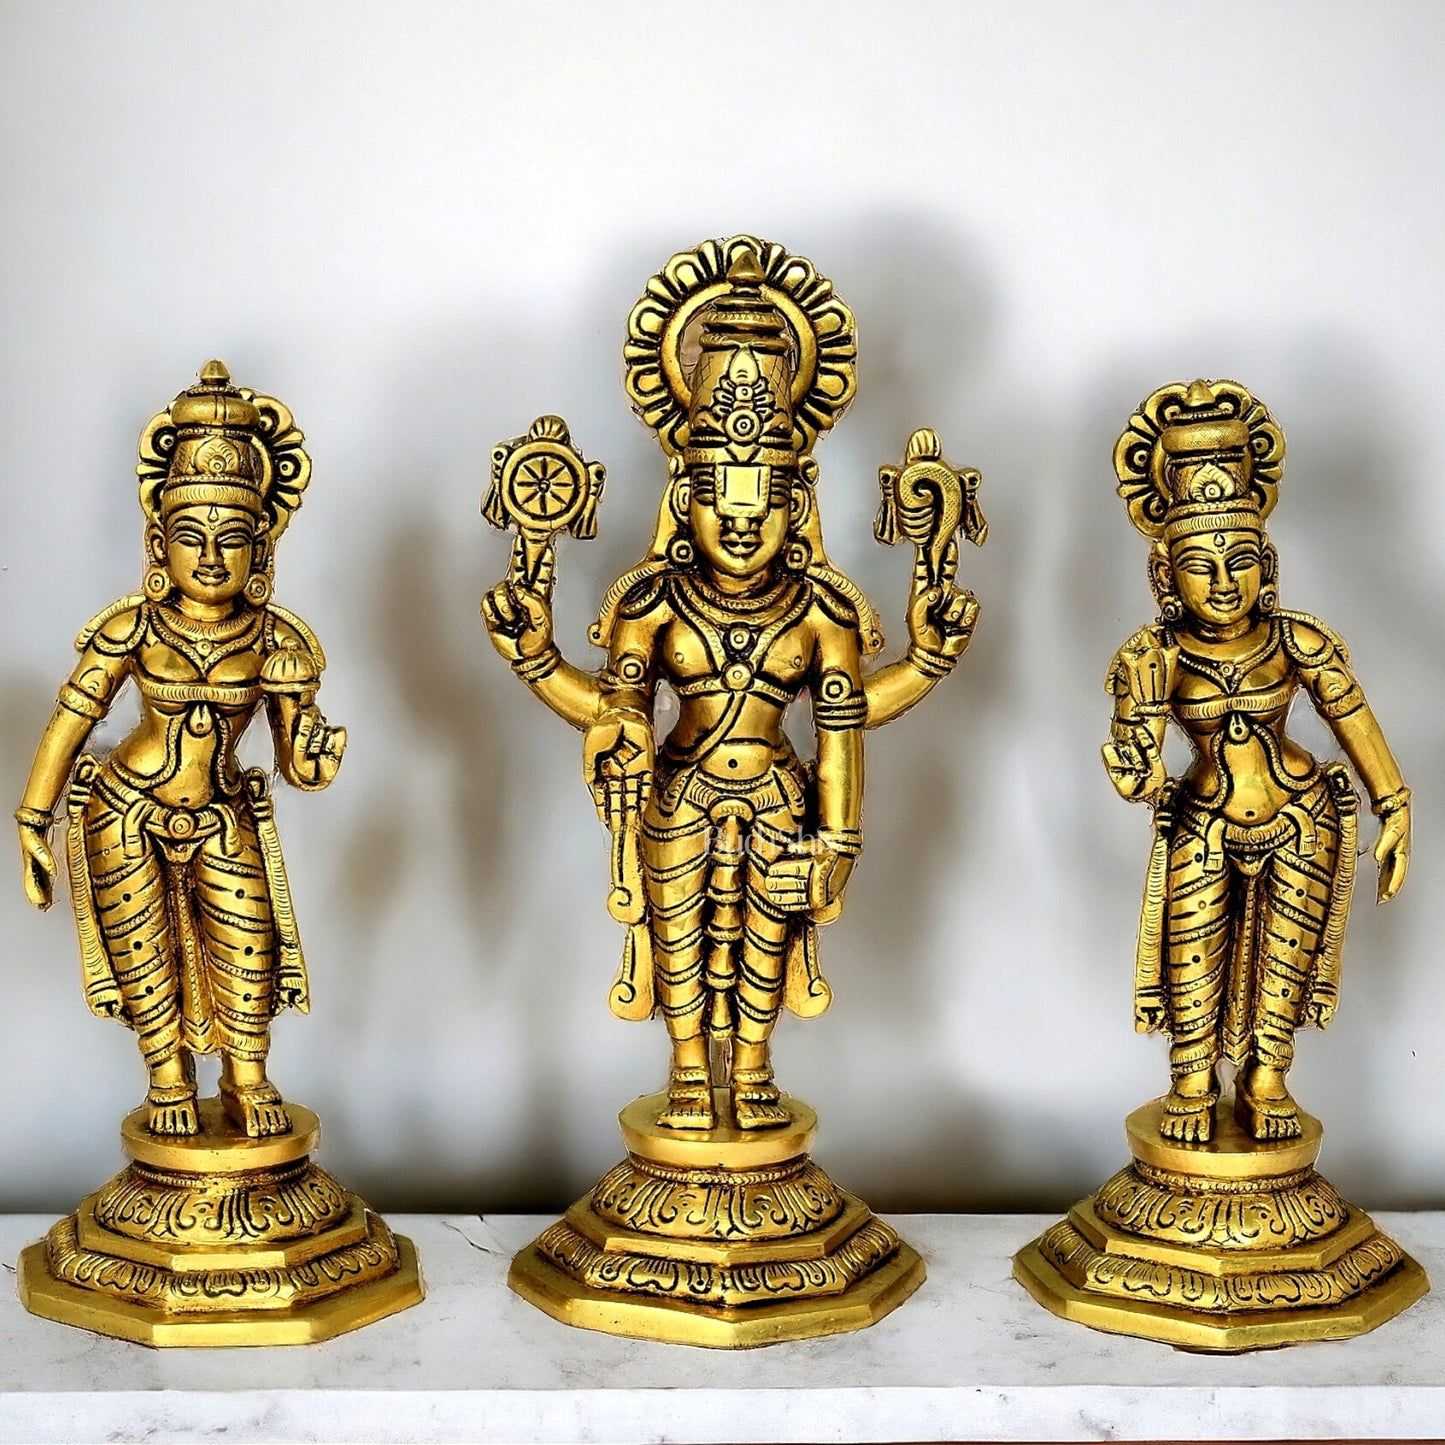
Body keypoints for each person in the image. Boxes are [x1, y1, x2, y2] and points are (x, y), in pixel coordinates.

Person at [484, 244, 980, 1129]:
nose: (743, 523)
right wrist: (537, 659)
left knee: (764, 947)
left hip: (781, 802)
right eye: (721, 499)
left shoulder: (820, 611)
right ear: (685, 499)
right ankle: (686, 1071)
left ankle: (750, 1070)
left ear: (798, 505)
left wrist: (920, 672)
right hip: (676, 799)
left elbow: (846, 721)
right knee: (677, 945)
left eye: (764, 504)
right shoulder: (652, 605)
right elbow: (616, 711)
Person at [15, 361, 345, 1138]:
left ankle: (246, 1074)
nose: (210, 557)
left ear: (260, 550)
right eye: (191, 538)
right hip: (125, 809)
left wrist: (311, 743)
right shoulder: (132, 628)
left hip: (223, 809)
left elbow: (297, 766)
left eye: (232, 540)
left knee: (249, 940)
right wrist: (33, 817)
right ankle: (167, 1074)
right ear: (159, 545)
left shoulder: (275, 639)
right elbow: (71, 719)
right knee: (144, 947)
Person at [1103, 379, 1410, 1144]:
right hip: (1203, 818)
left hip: (1301, 813)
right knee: (1191, 950)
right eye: (1199, 564)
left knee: (1285, 952)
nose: (1222, 581)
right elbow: (1136, 771)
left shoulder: (1294, 639)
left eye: (1239, 560)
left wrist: (1393, 803)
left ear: (1266, 564)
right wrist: (1140, 750)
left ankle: (1267, 1073)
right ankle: (1191, 1075)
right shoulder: (1153, 656)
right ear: (1163, 576)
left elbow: (1350, 716)